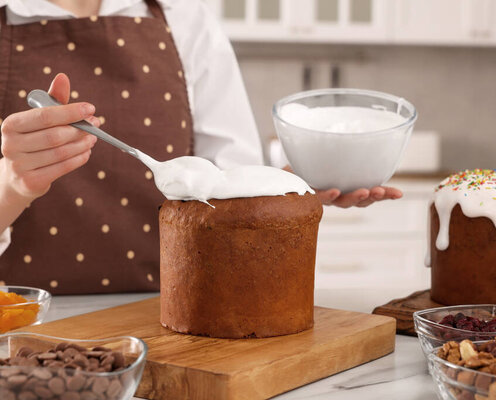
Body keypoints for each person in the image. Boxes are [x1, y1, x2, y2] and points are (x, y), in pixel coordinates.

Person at [0, 0, 402, 294]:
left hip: (177, 308)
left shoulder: (186, 20)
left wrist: (281, 187)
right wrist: (12, 187)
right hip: (21, 323)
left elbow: (227, 181)